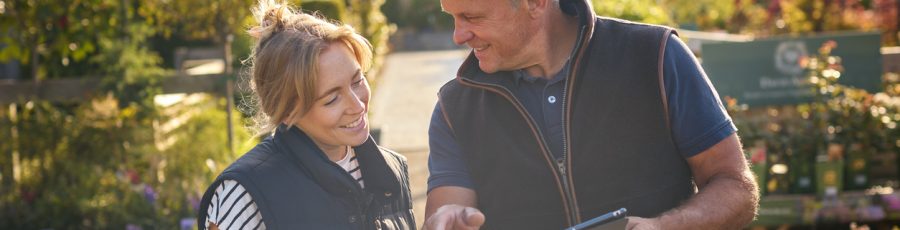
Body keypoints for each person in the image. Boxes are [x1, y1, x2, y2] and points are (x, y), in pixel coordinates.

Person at [424, 0, 759, 229]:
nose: (458, 35)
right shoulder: (455, 109)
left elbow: (736, 186)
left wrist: (664, 226)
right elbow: (447, 215)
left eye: (473, 17)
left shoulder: (654, 57)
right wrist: (448, 219)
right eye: (452, 16)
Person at [196, 1, 415, 229]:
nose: (357, 105)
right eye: (332, 99)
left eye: (357, 81)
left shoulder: (393, 169)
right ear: (287, 112)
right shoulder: (244, 194)